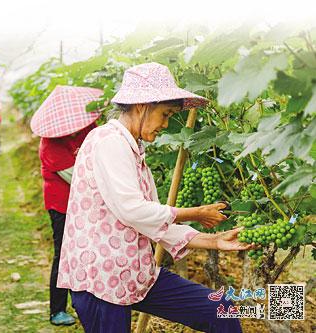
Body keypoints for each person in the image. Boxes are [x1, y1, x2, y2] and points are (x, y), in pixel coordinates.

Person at [56, 63, 253, 333]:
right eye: (165, 114)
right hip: (102, 281)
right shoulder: (108, 142)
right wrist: (196, 212)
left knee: (219, 310)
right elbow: (133, 211)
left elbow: (151, 221)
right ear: (141, 105)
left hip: (135, 274)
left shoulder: (132, 149)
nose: (165, 123)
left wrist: (214, 241)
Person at [31, 85, 104, 326]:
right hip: (62, 206)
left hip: (85, 204)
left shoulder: (88, 128)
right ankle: (57, 310)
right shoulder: (49, 145)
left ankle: (86, 303)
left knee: (89, 252)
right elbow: (80, 178)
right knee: (63, 254)